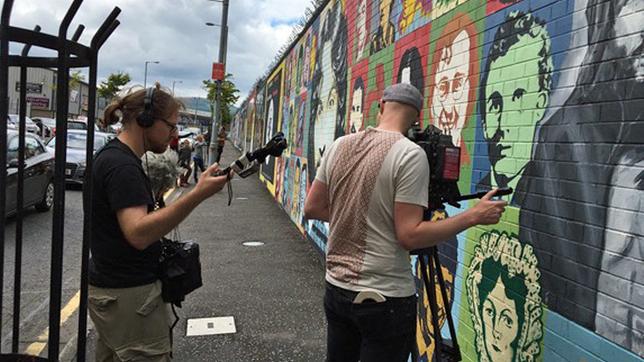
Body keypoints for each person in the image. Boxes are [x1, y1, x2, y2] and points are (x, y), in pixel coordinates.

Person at [304, 83, 507, 362]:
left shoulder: (340, 145)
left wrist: (366, 216)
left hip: (337, 290)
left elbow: (313, 207)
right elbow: (410, 236)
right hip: (383, 298)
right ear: (416, 118)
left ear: (381, 107)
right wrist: (474, 216)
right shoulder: (410, 155)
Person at [88, 84, 230, 361]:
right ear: (146, 120)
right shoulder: (123, 167)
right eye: (171, 126)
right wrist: (197, 194)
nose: (175, 134)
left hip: (116, 293)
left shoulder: (114, 157)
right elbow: (139, 233)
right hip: (130, 298)